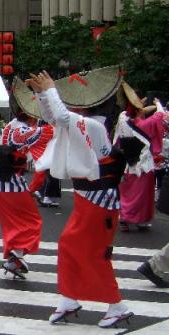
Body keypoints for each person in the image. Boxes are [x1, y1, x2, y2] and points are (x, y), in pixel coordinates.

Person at [27, 69, 132, 328]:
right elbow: (55, 117)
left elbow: (61, 115)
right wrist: (42, 94)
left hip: (99, 200)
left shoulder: (93, 126)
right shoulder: (85, 124)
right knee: (69, 246)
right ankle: (68, 297)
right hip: (89, 198)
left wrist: (50, 90)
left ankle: (117, 306)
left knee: (94, 253)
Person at [0, 78, 52, 278]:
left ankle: (15, 257)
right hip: (13, 182)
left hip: (2, 182)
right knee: (32, 221)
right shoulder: (23, 131)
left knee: (14, 223)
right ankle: (16, 256)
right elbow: (51, 131)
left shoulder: (10, 126)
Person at [115, 83, 168, 232]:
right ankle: (141, 220)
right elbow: (160, 116)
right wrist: (158, 103)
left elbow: (139, 111)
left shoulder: (123, 118)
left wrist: (139, 103)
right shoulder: (146, 124)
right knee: (143, 195)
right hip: (143, 164)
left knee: (127, 192)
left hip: (127, 163)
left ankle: (124, 217)